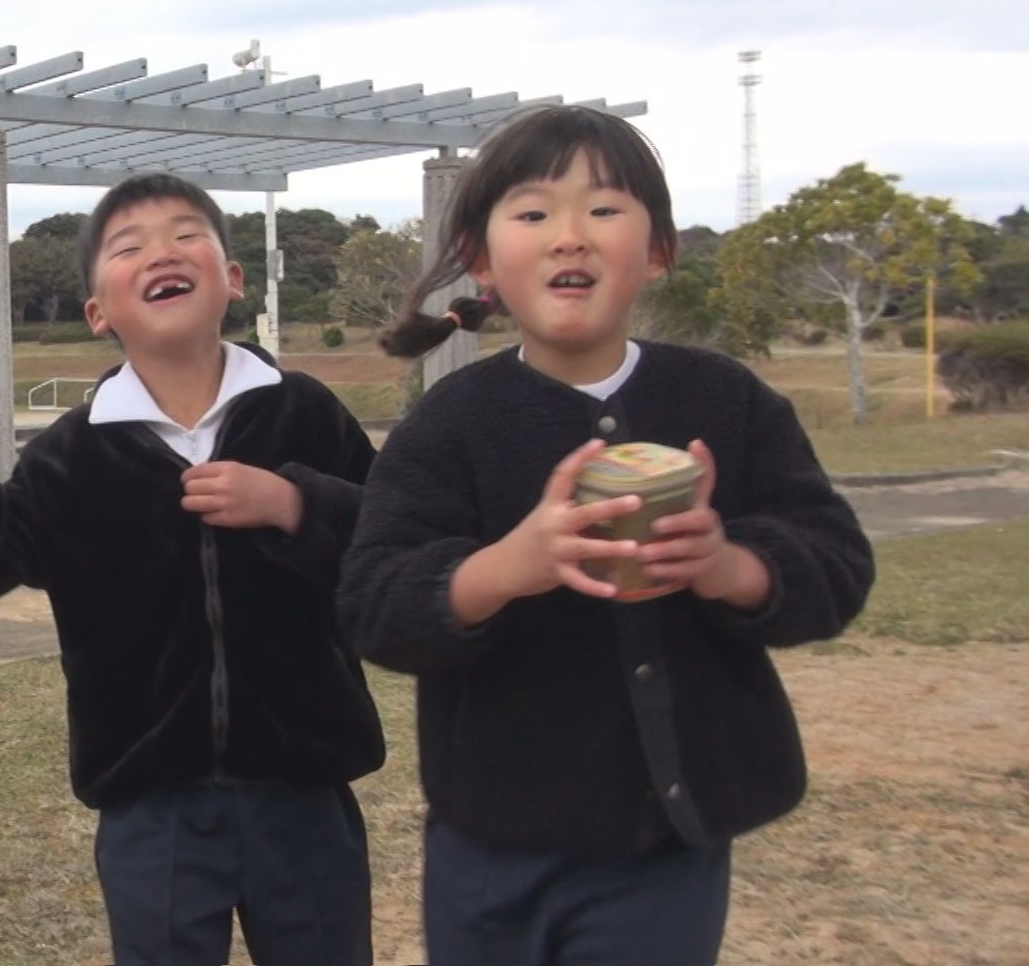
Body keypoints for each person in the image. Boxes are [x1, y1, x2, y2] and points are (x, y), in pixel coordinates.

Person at [340, 106, 874, 965]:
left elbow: (838, 564)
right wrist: (507, 567)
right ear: (480, 258)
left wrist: (727, 564)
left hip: (665, 841)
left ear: (658, 249)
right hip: (489, 847)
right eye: (533, 212)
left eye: (604, 208)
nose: (570, 236)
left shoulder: (726, 402)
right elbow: (373, 604)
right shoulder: (451, 423)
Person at [0, 172, 384, 965]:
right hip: (153, 802)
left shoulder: (303, 413)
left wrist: (296, 505)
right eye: (128, 246)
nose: (161, 254)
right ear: (98, 311)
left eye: (186, 235)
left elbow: (390, 540)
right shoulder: (74, 453)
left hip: (304, 787)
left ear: (232, 278)